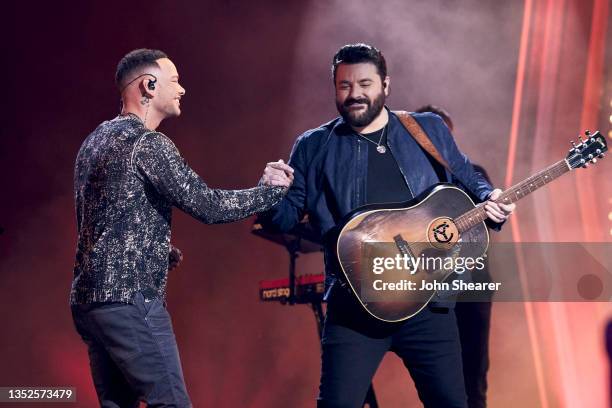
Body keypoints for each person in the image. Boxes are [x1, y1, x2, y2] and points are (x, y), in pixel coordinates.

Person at [262, 43, 514, 407]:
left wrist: (490, 196)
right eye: (345, 85)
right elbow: (283, 218)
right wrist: (268, 194)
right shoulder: (313, 146)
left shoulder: (425, 129)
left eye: (365, 84)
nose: (355, 95)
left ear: (385, 85)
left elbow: (467, 176)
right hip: (355, 310)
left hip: (428, 307)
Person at [70, 48, 294, 407]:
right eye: (174, 81)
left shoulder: (94, 141)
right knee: (172, 403)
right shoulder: (147, 143)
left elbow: (102, 221)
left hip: (90, 304)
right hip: (129, 300)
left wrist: (157, 249)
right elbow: (207, 205)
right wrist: (269, 193)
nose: (183, 89)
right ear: (149, 85)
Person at [416, 104, 494, 408]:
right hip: (425, 290)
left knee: (473, 375)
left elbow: (493, 222)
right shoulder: (407, 180)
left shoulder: (473, 174)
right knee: (435, 379)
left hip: (471, 287)